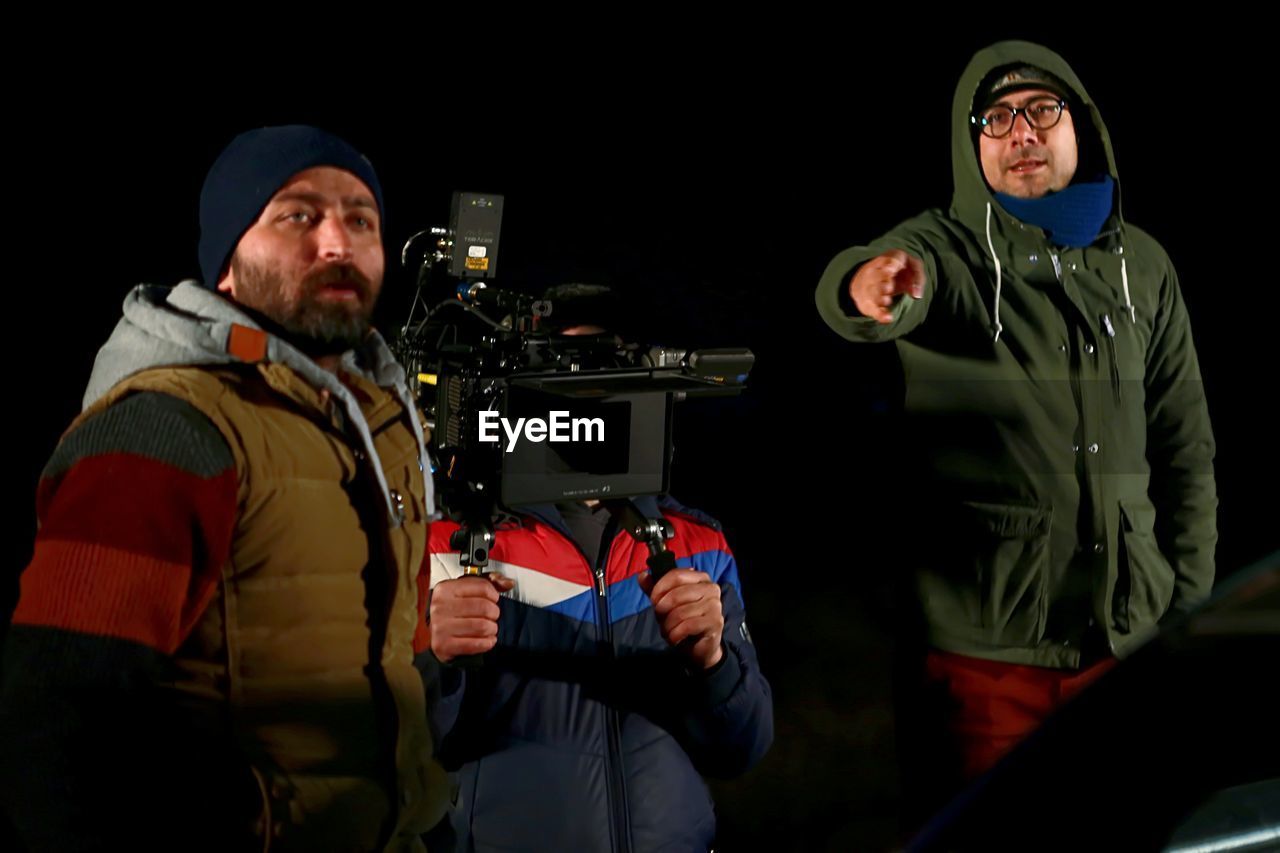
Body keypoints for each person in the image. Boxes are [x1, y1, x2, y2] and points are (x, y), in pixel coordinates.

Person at [1, 125, 450, 851]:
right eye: (298, 215)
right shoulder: (166, 427)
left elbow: (405, 657)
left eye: (360, 219)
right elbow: (58, 733)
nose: (337, 242)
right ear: (227, 266)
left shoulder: (385, 422)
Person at [814, 42, 1217, 817]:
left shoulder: (1144, 266)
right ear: (974, 148)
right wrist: (869, 285)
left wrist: (1188, 605)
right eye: (994, 119)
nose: (1019, 132)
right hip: (988, 663)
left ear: (1082, 127)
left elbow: (1185, 447)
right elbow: (874, 279)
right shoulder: (952, 249)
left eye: (1040, 110)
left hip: (1129, 644)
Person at [424, 308, 773, 852]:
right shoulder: (450, 545)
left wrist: (713, 665)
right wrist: (434, 661)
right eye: (562, 369)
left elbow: (741, 749)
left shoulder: (696, 544)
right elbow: (403, 747)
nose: (585, 396)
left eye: (605, 371)